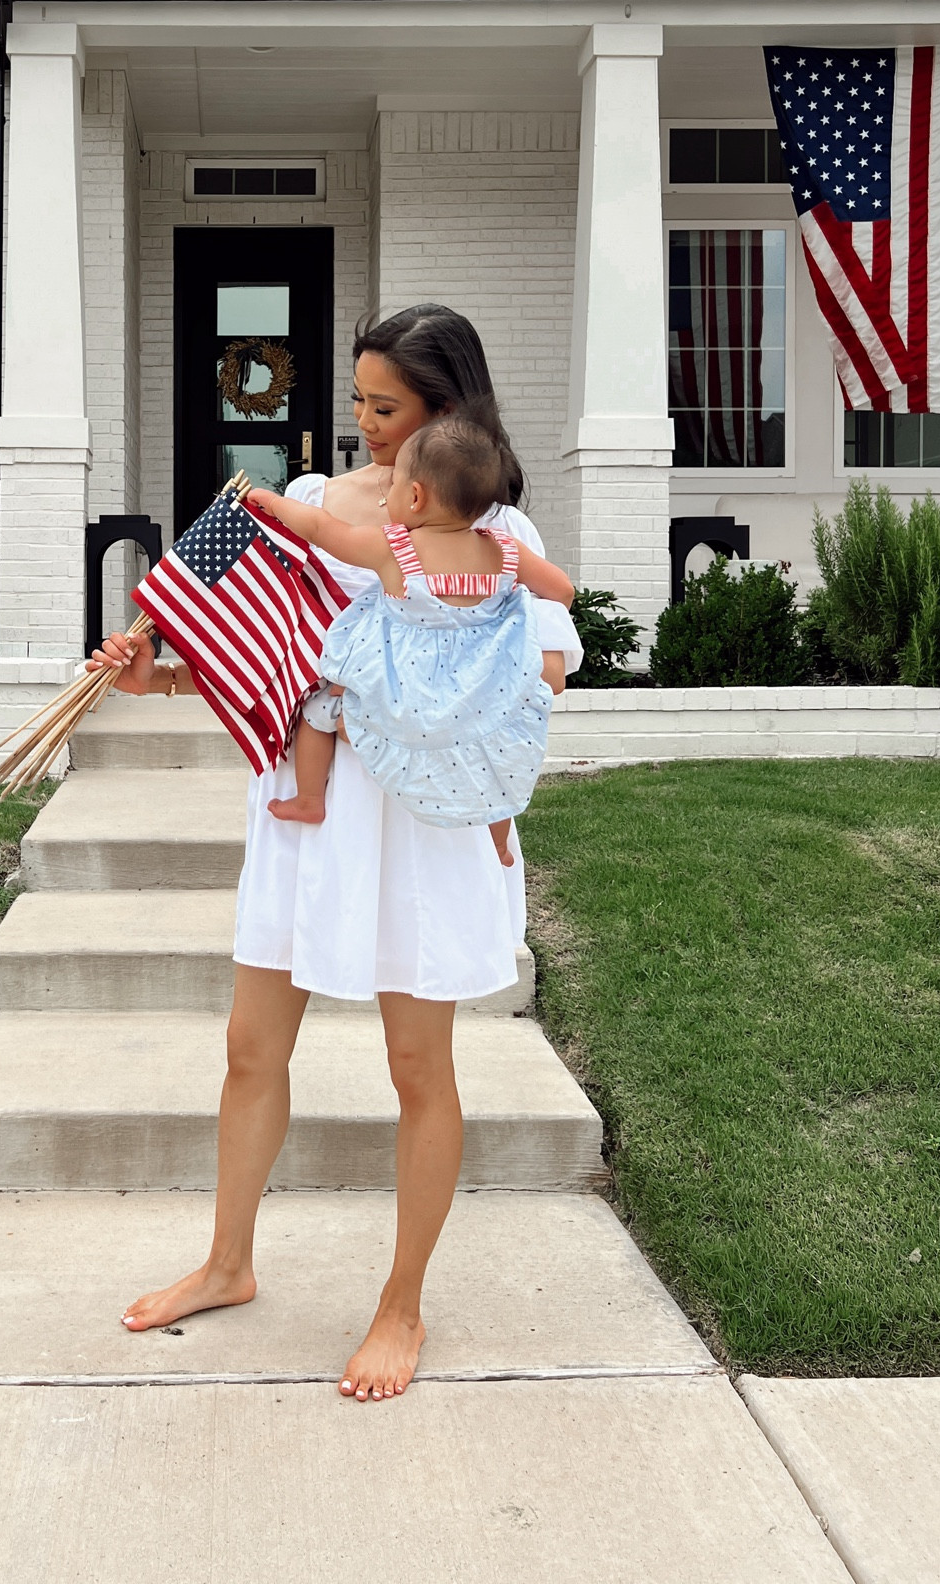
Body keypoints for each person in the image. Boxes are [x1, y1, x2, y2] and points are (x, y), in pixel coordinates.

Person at [89, 304, 582, 1403]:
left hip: (423, 821)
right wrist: (155, 676)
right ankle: (228, 1261)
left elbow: (542, 679)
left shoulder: (501, 536)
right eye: (356, 399)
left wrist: (391, 701)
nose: (360, 423)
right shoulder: (308, 509)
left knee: (419, 1069)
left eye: (385, 405)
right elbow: (259, 655)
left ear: (446, 409)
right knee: (251, 1047)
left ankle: (401, 1302)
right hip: (305, 808)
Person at [253, 413, 574, 843]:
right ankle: (497, 838)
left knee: (317, 713)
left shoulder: (396, 549)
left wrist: (270, 502)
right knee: (494, 746)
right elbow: (562, 591)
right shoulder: (504, 549)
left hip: (404, 690)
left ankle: (309, 798)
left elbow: (323, 528)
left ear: (416, 496)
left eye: (397, 486)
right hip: (479, 688)